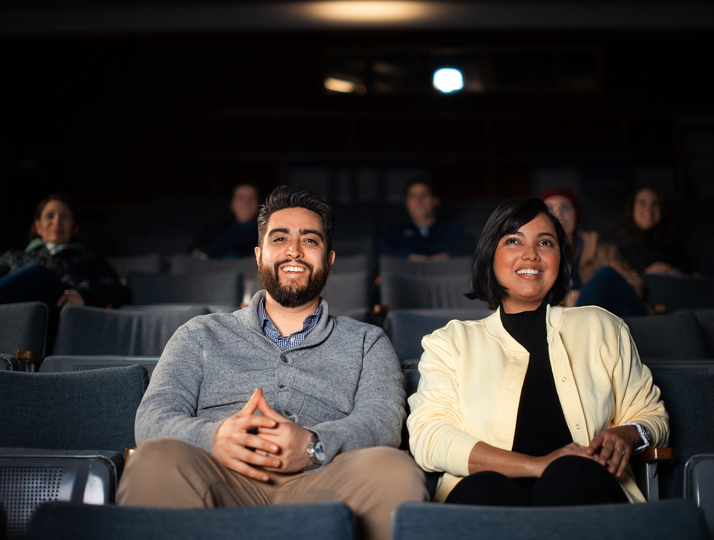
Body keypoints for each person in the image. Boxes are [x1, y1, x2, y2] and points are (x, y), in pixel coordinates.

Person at [117, 186, 428, 540]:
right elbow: (153, 416)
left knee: (394, 470)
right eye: (279, 238)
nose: (294, 250)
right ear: (258, 254)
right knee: (155, 459)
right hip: (218, 475)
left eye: (310, 241)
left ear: (328, 260)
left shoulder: (367, 341)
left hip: (324, 478)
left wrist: (313, 445)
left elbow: (382, 422)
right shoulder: (200, 333)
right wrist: (214, 437)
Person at [407, 197, 668, 507]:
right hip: (485, 494)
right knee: (484, 489)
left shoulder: (602, 326)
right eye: (514, 241)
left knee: (573, 475)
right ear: (491, 255)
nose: (531, 255)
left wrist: (628, 434)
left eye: (545, 243)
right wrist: (538, 465)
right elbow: (429, 438)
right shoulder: (450, 342)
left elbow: (653, 418)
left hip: (581, 488)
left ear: (560, 259)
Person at [0, 193, 129, 312]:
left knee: (37, 272)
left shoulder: (90, 260)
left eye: (65, 216)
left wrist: (84, 294)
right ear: (38, 226)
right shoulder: (14, 257)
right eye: (50, 216)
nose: (57, 221)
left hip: (57, 314)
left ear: (75, 228)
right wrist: (5, 295)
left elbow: (118, 290)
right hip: (11, 319)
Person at [540, 187, 647, 317]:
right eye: (550, 208)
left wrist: (590, 293)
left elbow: (635, 285)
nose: (559, 214)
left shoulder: (601, 248)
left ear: (576, 214)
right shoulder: (536, 255)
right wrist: (566, 299)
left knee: (607, 275)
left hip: (608, 313)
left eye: (566, 208)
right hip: (569, 319)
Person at [379, 177, 470, 260]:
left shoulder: (453, 230)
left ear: (435, 200)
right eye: (413, 196)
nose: (419, 201)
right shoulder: (394, 231)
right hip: (405, 275)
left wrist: (447, 256)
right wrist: (408, 257)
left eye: (424, 195)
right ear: (406, 202)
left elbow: (470, 248)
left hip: (447, 275)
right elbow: (379, 251)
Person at [612, 186, 692, 275]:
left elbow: (690, 271)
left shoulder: (673, 240)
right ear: (632, 207)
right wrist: (646, 274)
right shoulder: (618, 240)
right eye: (642, 203)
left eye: (654, 204)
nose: (648, 209)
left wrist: (677, 274)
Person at [189, 182, 260, 259]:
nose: (246, 203)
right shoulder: (214, 229)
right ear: (231, 203)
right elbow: (192, 251)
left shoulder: (263, 232)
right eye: (240, 197)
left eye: (251, 198)